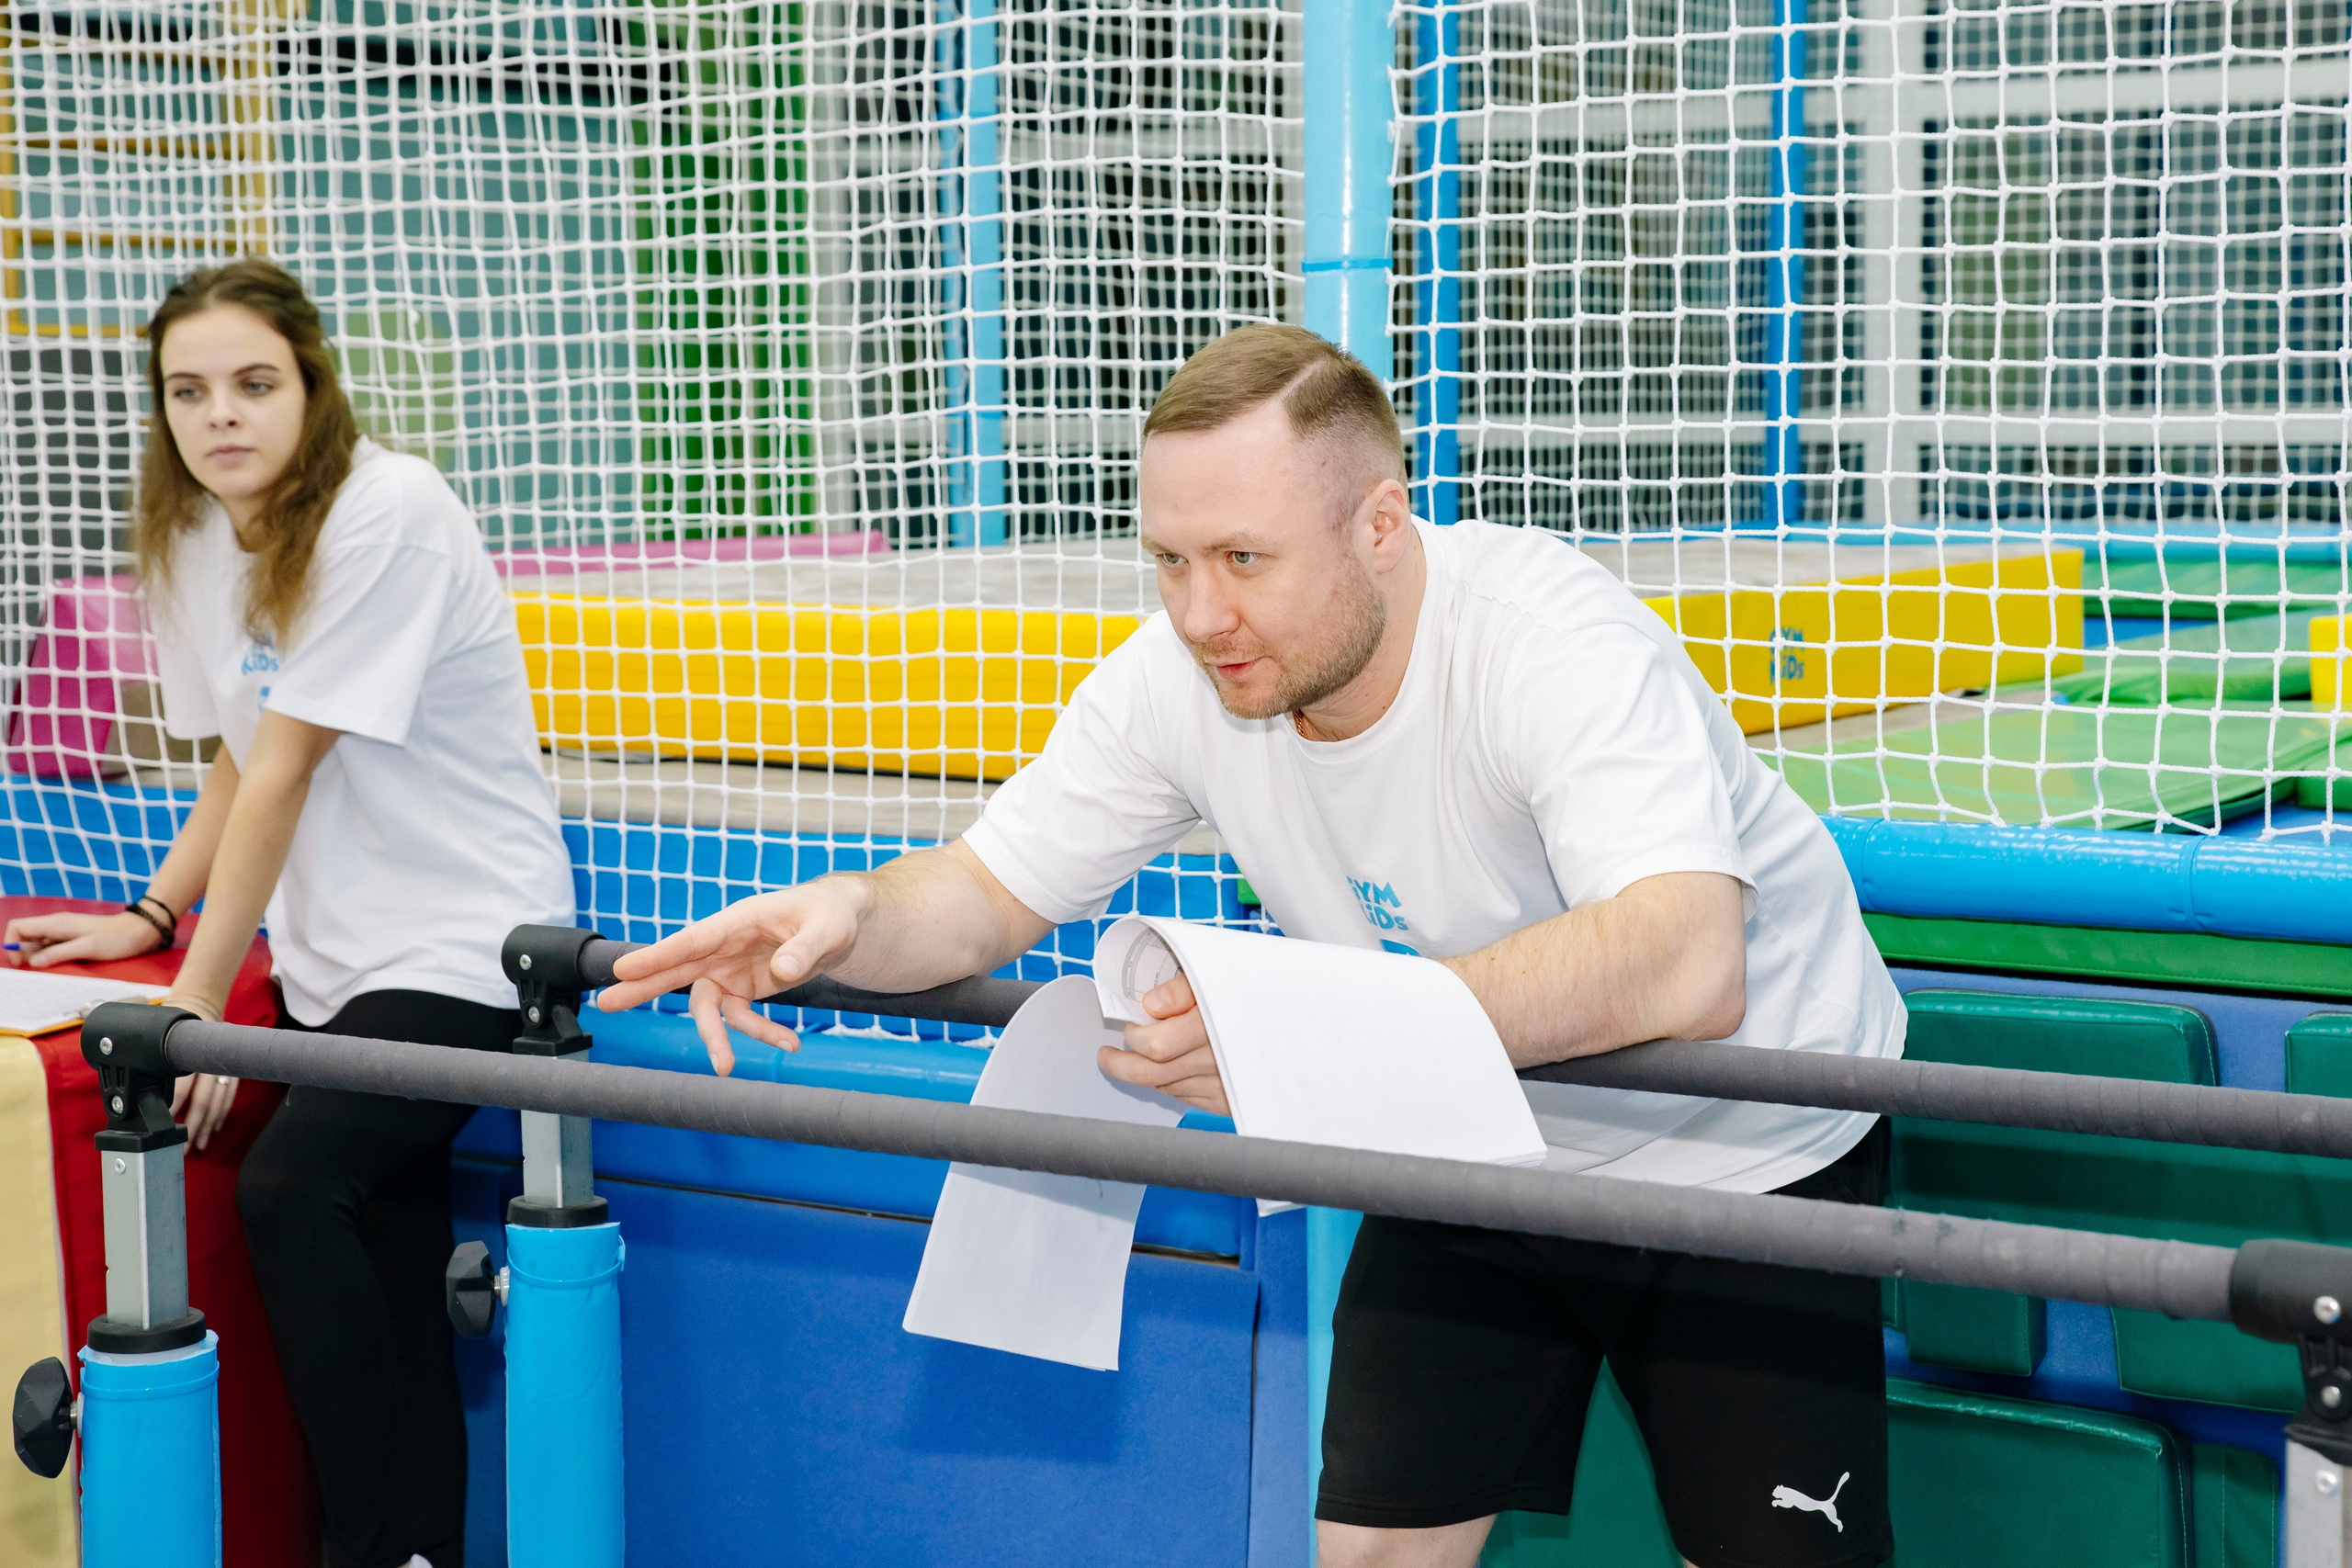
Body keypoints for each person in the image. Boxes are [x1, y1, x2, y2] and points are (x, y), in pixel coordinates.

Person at [596, 323, 1905, 1568]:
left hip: (1739, 1152)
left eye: (1242, 559)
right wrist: (846, 918)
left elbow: (1685, 960)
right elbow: (986, 892)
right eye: (1169, 561)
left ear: (1381, 525)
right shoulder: (1181, 678)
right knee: (1374, 1547)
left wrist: (1316, 1041)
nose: (1200, 612)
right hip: (1471, 1142)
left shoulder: (1549, 644)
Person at [6, 260, 575, 1568]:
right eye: (188, 392)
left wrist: (195, 1003)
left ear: (312, 387)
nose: (220, 415)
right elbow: (231, 753)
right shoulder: (194, 538)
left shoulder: (390, 510)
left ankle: (370, 1553)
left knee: (292, 1189)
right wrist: (153, 911)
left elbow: (284, 768)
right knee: (387, 1252)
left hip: (466, 949)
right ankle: (413, 1550)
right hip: (333, 966)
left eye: (254, 383)